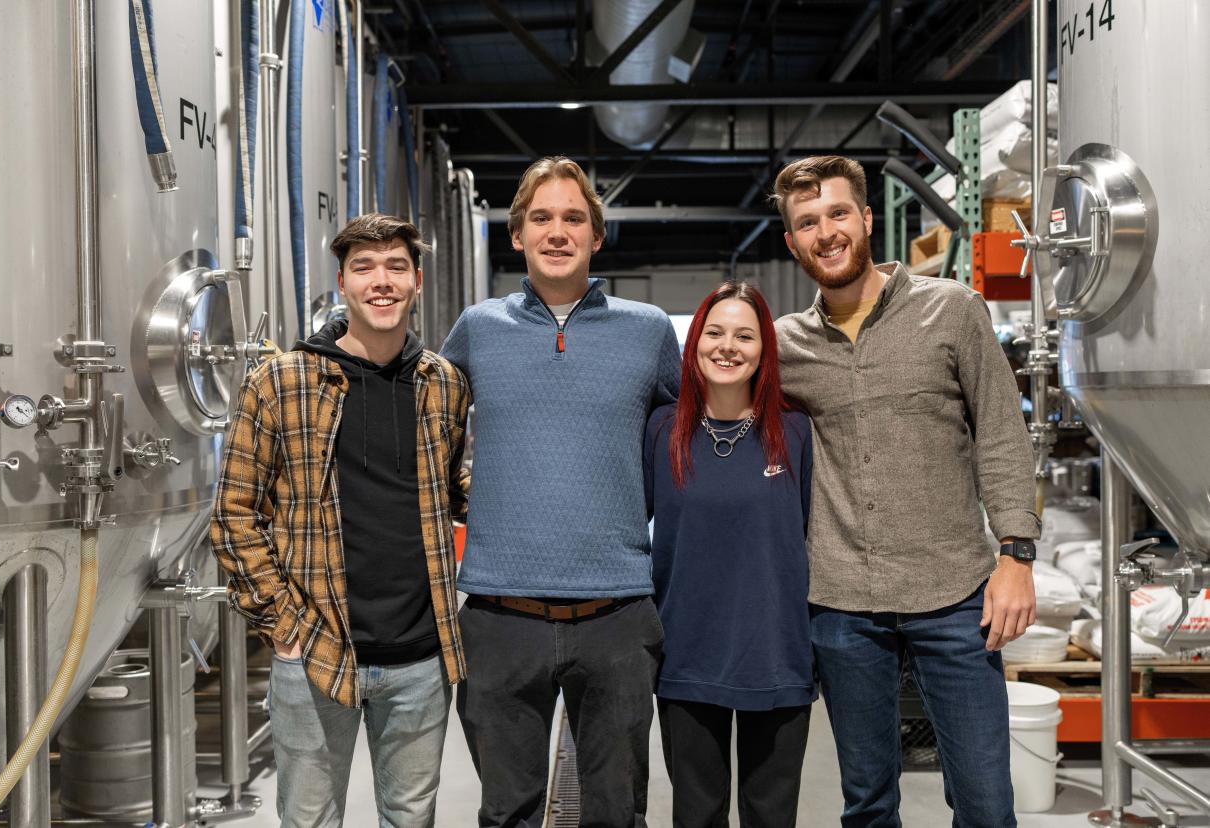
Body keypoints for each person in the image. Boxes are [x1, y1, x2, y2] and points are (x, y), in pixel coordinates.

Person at [769, 155, 1041, 828]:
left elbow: (1002, 435)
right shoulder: (784, 347)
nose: (825, 232)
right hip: (839, 603)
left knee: (985, 801)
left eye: (837, 213)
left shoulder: (952, 311)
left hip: (953, 595)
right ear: (791, 242)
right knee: (867, 802)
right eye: (807, 222)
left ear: (865, 219)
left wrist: (1017, 554)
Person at [441, 156, 681, 828]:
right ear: (515, 235)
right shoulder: (478, 330)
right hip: (498, 614)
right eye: (540, 217)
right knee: (507, 812)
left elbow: (691, 441)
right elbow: (427, 432)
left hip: (618, 616)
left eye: (573, 217)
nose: (557, 231)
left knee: (615, 813)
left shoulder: (648, 331)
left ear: (596, 237)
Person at [211, 213, 470, 827]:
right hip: (315, 649)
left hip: (421, 656)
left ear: (416, 281)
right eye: (365, 268)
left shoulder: (444, 384)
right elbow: (233, 512)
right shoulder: (281, 382)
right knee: (310, 820)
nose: (381, 281)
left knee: (411, 816)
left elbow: (455, 491)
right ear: (343, 282)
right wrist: (281, 622)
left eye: (396, 267)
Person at [644, 281, 815, 827]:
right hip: (686, 655)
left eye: (745, 335)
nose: (727, 346)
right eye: (714, 332)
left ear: (765, 349)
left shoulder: (794, 432)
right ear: (693, 343)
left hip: (775, 656)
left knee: (770, 815)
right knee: (696, 815)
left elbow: (817, 533)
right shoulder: (662, 430)